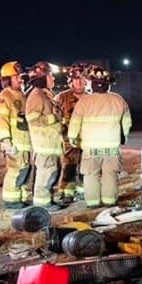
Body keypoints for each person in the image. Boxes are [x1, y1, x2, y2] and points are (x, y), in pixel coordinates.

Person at [67, 68, 131, 208]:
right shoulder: (118, 100)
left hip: (91, 148)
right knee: (110, 174)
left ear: (92, 84)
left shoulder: (84, 101)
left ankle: (93, 202)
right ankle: (109, 201)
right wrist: (124, 136)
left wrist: (72, 137)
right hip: (111, 147)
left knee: (91, 175)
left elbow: (75, 122)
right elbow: (127, 123)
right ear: (108, 85)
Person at [23, 62, 65, 208]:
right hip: (44, 145)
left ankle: (47, 199)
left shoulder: (45, 94)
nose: (53, 79)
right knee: (46, 174)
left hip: (51, 143)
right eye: (50, 76)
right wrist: (54, 118)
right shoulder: (36, 95)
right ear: (42, 78)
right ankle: (42, 204)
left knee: (52, 172)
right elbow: (32, 118)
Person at [0, 61, 33, 208]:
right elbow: (0, 120)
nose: (20, 79)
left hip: (24, 141)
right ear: (7, 80)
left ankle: (21, 197)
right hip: (14, 142)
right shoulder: (4, 97)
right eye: (16, 77)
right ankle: (11, 200)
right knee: (16, 170)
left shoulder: (22, 95)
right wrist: (6, 141)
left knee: (25, 169)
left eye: (20, 76)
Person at [54, 64, 89, 203]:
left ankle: (83, 192)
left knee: (86, 167)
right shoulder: (61, 98)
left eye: (82, 79)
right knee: (69, 166)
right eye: (76, 79)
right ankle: (66, 193)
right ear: (70, 81)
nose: (79, 82)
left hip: (88, 139)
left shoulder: (92, 97)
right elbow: (55, 119)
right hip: (68, 140)